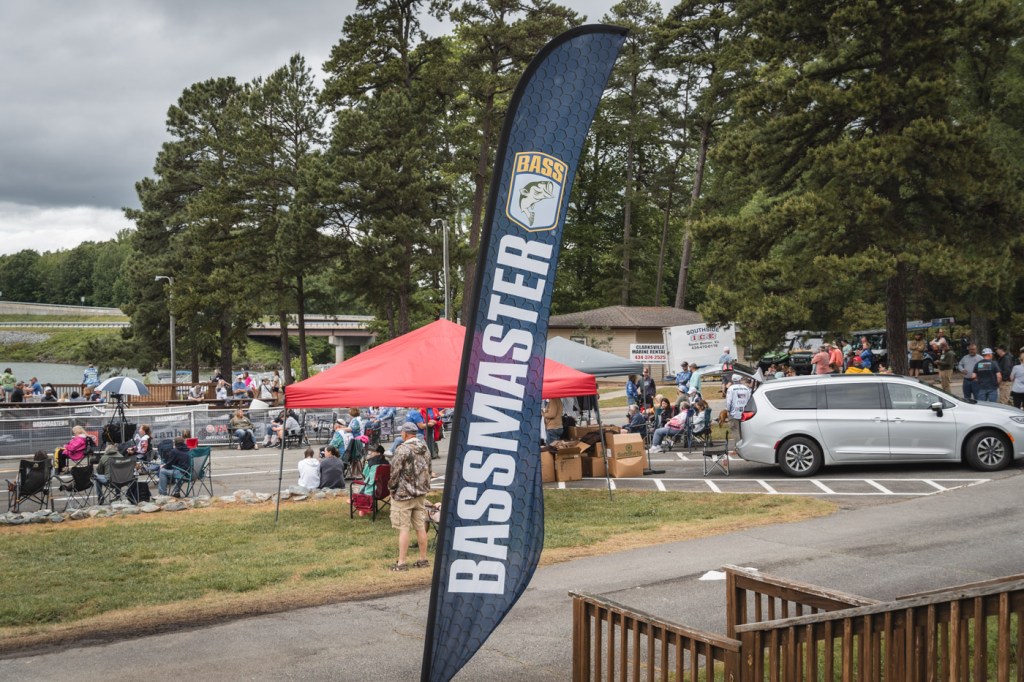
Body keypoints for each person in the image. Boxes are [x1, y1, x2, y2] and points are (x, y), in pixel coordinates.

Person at [388, 423, 432, 572]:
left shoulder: (402, 449)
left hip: (404, 494)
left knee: (404, 528)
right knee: (420, 527)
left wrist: (392, 488)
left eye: (402, 432)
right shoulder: (425, 448)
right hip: (420, 493)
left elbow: (395, 472)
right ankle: (422, 559)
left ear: (405, 434)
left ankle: (401, 562)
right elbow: (429, 469)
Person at [725, 374, 751, 449]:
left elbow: (728, 401)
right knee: (744, 430)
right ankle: (745, 446)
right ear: (740, 379)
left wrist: (728, 410)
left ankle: (738, 447)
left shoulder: (731, 388)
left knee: (735, 430)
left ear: (732, 380)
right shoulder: (746, 388)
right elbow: (750, 400)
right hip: (745, 412)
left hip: (734, 412)